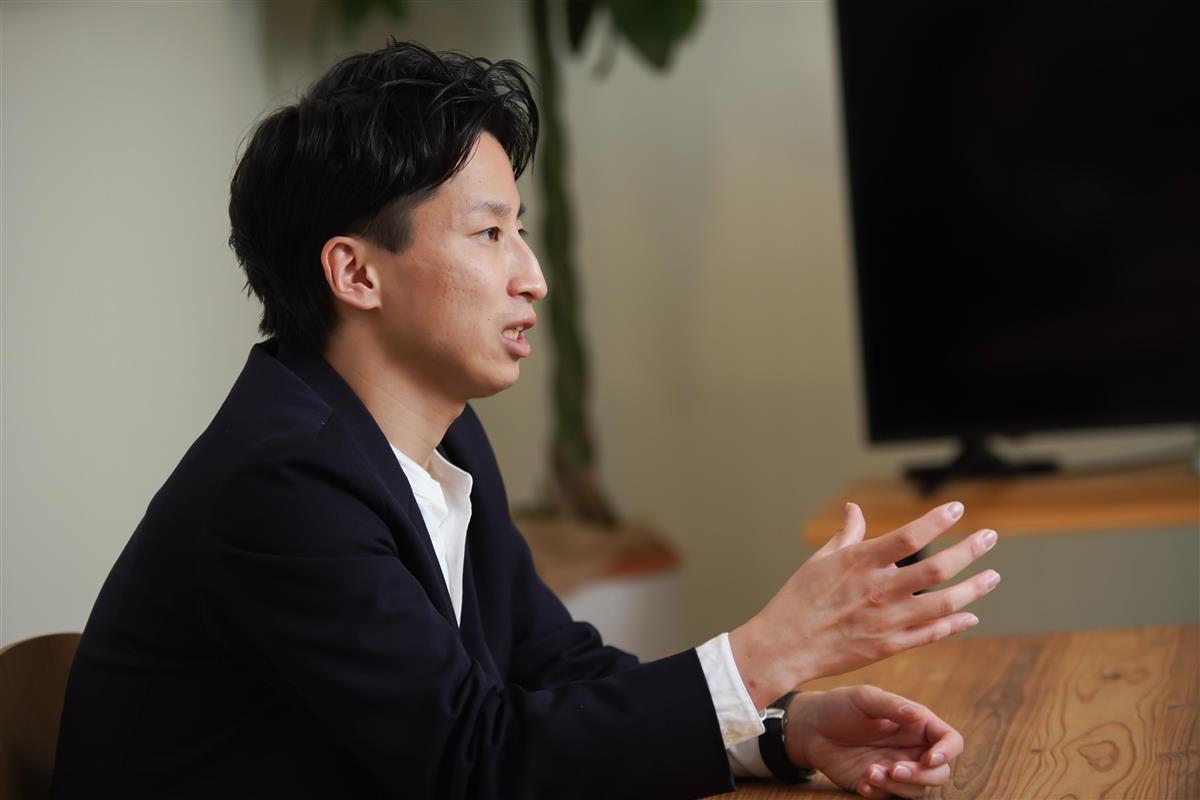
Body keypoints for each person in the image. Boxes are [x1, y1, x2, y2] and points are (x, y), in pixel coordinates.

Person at [52, 41, 1000, 799]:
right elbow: (472, 762)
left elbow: (548, 669)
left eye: (522, 230)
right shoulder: (281, 481)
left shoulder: (441, 439)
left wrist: (780, 731)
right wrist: (768, 652)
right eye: (490, 233)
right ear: (355, 273)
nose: (532, 276)